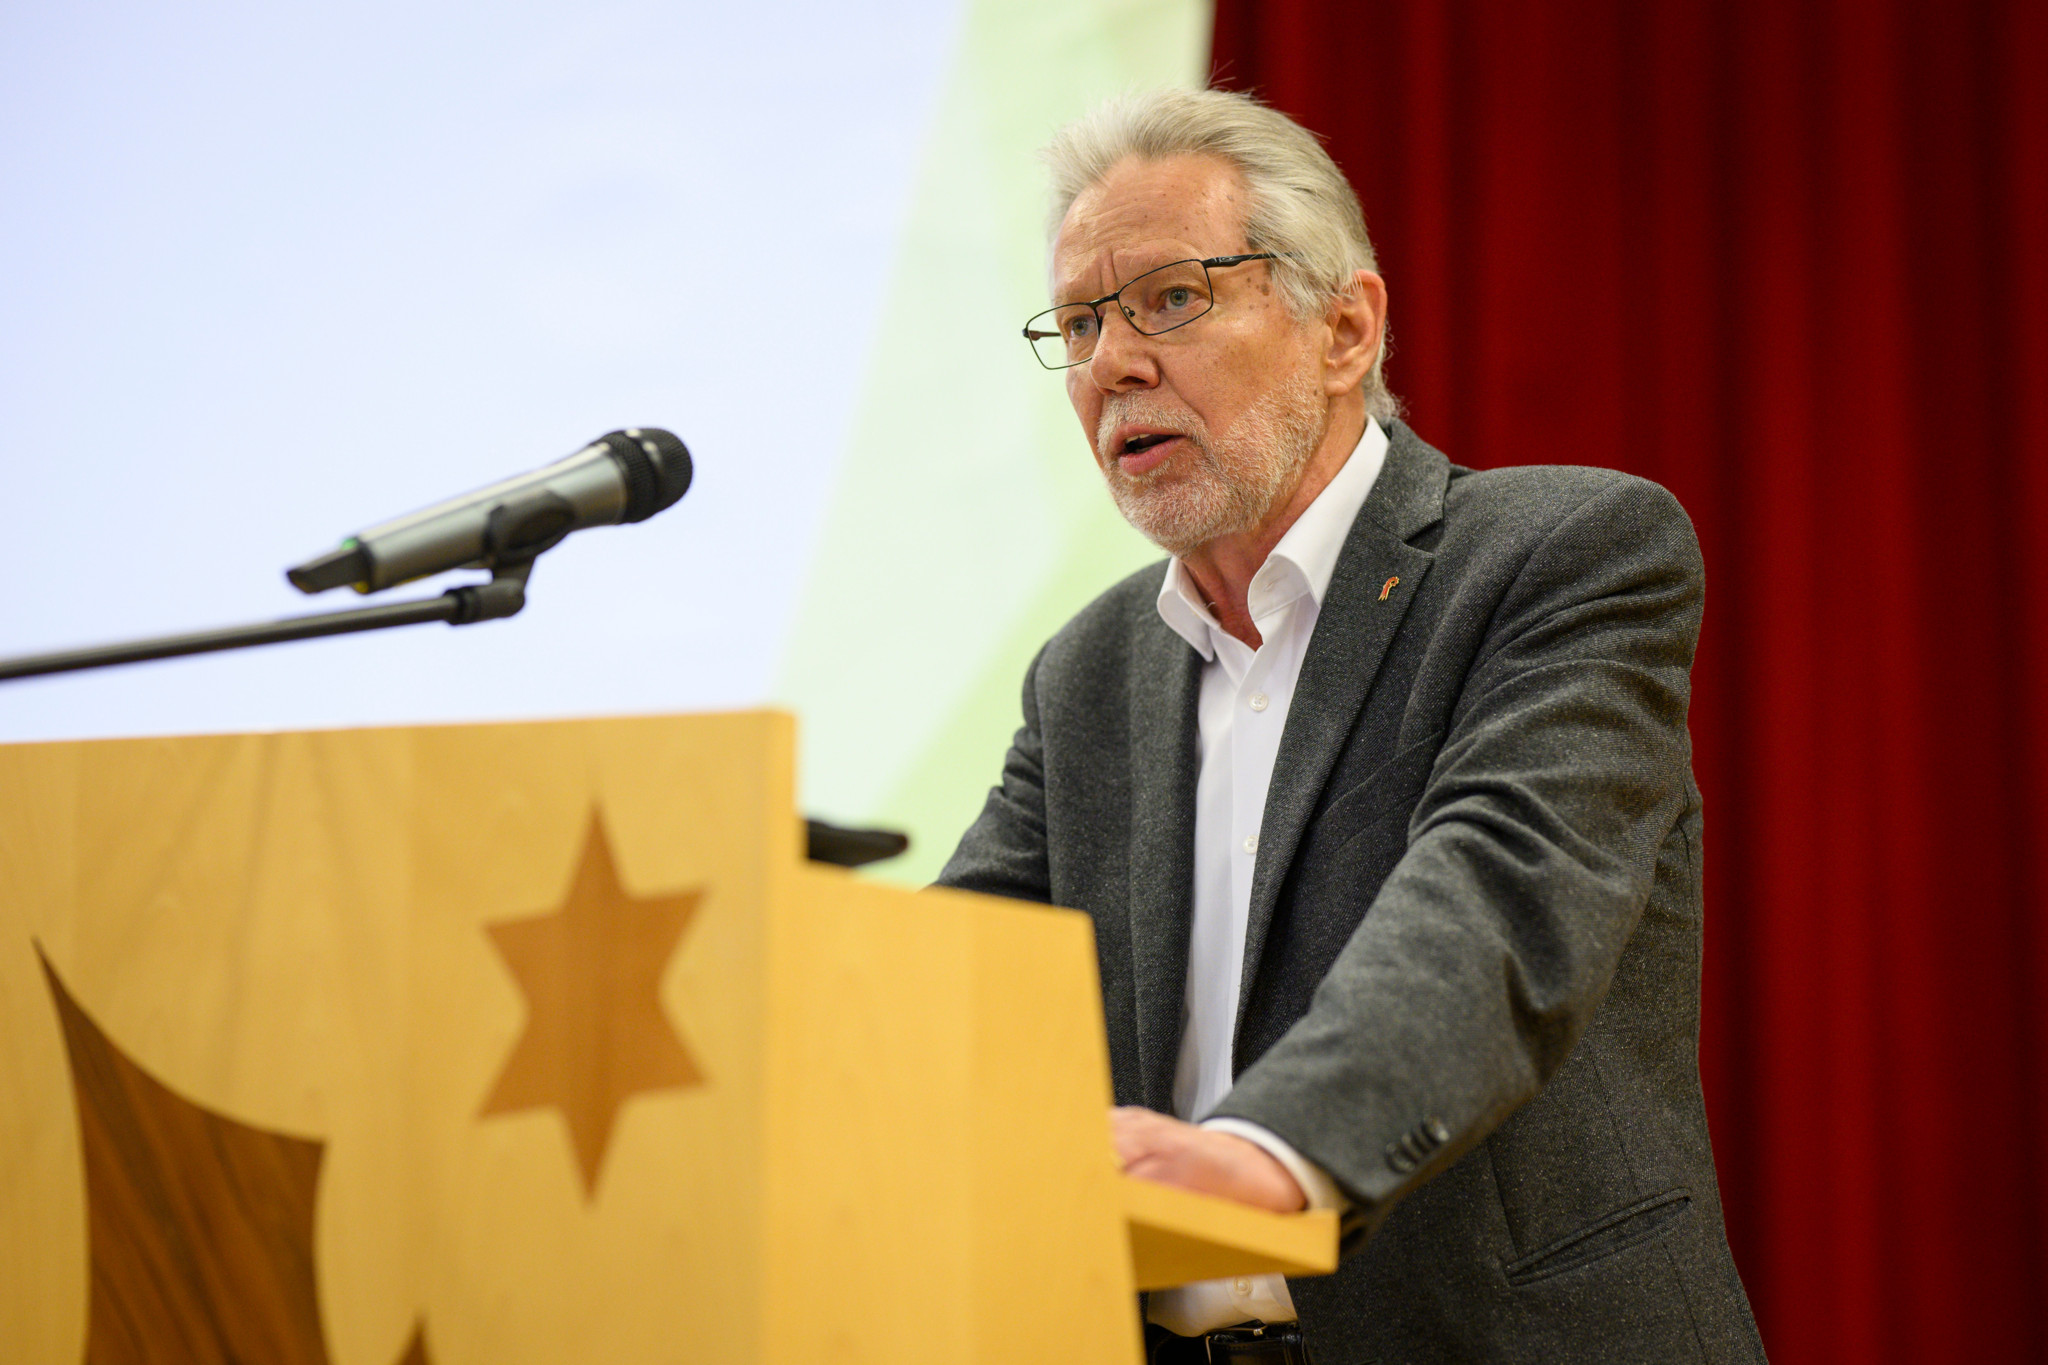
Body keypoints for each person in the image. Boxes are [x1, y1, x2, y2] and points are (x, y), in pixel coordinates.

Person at [937, 89, 1765, 1364]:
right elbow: (955, 976)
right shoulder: (1088, 672)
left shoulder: (1556, 557)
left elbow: (1498, 897)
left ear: (1343, 328)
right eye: (1082, 322)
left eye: (1169, 298)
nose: (1112, 363)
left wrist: (1265, 1160)